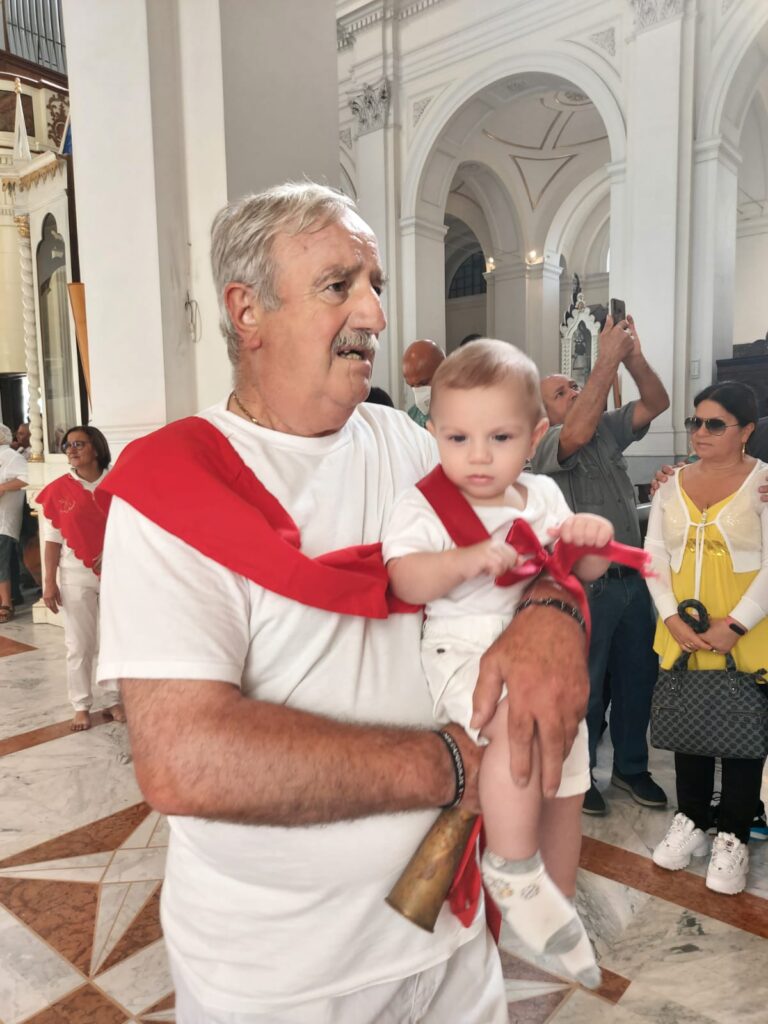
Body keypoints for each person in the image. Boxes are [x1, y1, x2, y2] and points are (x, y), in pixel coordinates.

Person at [95, 182, 589, 1024]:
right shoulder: (174, 487)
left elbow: (538, 544)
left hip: (451, 932)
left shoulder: (407, 444)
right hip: (287, 975)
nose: (375, 314)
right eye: (339, 285)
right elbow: (187, 759)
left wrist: (552, 613)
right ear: (247, 310)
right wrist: (454, 766)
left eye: (377, 284)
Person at [383, 339, 613, 988]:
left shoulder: (541, 496)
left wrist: (587, 536)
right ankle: (512, 867)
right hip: (463, 649)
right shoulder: (422, 505)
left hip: (540, 652)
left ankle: (555, 899)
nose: (477, 456)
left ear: (537, 434)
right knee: (517, 725)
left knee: (567, 769)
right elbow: (405, 579)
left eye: (500, 436)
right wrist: (464, 559)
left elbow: (584, 572)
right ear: (433, 433)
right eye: (457, 437)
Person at [532, 314, 670, 816]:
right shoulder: (546, 446)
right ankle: (581, 774)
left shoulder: (606, 434)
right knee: (584, 688)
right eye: (562, 392)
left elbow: (658, 402)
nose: (574, 393)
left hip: (631, 584)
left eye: (576, 387)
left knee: (638, 679)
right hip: (583, 591)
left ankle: (632, 767)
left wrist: (632, 357)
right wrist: (604, 362)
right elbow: (577, 428)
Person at [646, 382, 768, 894]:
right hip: (682, 629)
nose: (699, 432)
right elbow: (652, 554)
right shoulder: (671, 483)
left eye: (715, 424)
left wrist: (734, 624)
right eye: (696, 422)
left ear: (746, 431)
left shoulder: (763, 484)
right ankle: (692, 818)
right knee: (689, 724)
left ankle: (735, 832)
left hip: (747, 631)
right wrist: (671, 618)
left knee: (742, 731)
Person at [39, 426, 124, 731]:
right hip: (75, 575)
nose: (71, 450)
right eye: (67, 445)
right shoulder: (59, 488)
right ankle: (80, 704)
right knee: (79, 643)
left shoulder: (119, 483)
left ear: (97, 449)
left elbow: (137, 526)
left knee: (113, 639)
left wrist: (115, 549)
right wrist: (49, 582)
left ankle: (114, 699)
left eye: (79, 444)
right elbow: (52, 540)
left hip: (119, 573)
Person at [0, 424, 28, 623]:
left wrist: (1, 487)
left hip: (4, 518)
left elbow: (27, 478)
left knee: (2, 562)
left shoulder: (10, 455)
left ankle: (6, 604)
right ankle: (12, 596)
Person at [403, 338, 444, 427]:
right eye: (412, 386)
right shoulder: (412, 416)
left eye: (423, 383)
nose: (418, 392)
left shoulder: (464, 412)